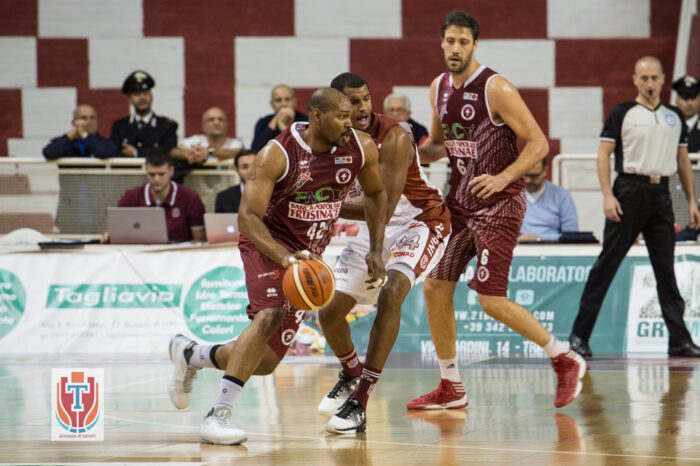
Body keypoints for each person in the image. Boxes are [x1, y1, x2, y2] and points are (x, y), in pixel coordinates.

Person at [167, 88, 389, 445]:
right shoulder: (277, 153)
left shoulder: (360, 148)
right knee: (268, 314)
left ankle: (192, 354)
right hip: (267, 243)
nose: (350, 123)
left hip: (308, 256)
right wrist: (285, 258)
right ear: (317, 116)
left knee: (267, 361)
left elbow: (377, 196)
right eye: (341, 116)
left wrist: (377, 247)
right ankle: (217, 416)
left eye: (351, 116)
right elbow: (247, 218)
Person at [407, 10, 587, 411]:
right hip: (461, 205)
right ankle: (450, 385)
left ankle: (564, 357)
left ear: (475, 45)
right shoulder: (437, 87)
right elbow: (438, 145)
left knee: (490, 299)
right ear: (441, 42)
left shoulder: (496, 87)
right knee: (435, 286)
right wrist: (405, 152)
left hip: (500, 206)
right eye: (450, 41)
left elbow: (539, 143)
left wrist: (504, 177)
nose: (455, 48)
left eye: (463, 42)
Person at [316, 73, 451, 434]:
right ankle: (350, 371)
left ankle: (360, 401)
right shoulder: (330, 138)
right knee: (328, 314)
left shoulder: (394, 136)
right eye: (351, 102)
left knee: (391, 295)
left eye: (365, 99)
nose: (361, 108)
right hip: (376, 222)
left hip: (420, 221)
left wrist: (374, 247)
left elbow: (385, 205)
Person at [569, 56, 700, 359]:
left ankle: (679, 340)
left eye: (654, 78)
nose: (649, 83)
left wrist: (691, 200)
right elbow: (603, 155)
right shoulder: (623, 113)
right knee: (607, 265)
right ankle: (579, 336)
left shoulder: (674, 116)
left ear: (663, 79)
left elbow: (682, 160)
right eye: (644, 78)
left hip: (662, 193)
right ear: (635, 80)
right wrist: (606, 194)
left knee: (666, 271)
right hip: (628, 191)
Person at [106, 149, 205, 243]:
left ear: (171, 171)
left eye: (161, 174)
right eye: (152, 174)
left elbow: (200, 240)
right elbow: (113, 232)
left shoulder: (190, 197)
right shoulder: (131, 197)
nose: (156, 179)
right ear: (146, 172)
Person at [110, 70, 181, 176]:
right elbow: (113, 152)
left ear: (152, 96)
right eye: (137, 94)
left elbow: (168, 152)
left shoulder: (167, 125)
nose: (142, 97)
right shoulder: (119, 127)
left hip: (157, 182)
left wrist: (136, 152)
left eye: (146, 93)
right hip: (126, 179)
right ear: (130, 99)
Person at [519, 158, 579, 242]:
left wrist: (539, 238)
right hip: (518, 247)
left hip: (553, 248)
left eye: (534, 176)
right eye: (525, 175)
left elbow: (570, 234)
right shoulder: (512, 196)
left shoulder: (562, 195)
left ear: (545, 171)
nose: (528, 180)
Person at [172, 107, 244, 166]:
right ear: (203, 125)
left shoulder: (235, 143)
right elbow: (174, 152)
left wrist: (209, 152)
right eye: (211, 120)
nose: (216, 123)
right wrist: (189, 154)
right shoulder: (195, 140)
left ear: (227, 125)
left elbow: (235, 153)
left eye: (221, 120)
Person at [43, 105, 119, 159]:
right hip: (70, 181)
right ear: (74, 122)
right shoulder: (65, 142)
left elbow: (104, 153)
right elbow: (49, 153)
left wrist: (84, 135)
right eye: (84, 118)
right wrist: (71, 134)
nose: (89, 121)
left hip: (95, 181)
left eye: (92, 118)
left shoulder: (106, 143)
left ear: (97, 121)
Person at [251, 84, 307, 152]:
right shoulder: (263, 122)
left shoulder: (305, 121)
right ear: (272, 104)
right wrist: (276, 119)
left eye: (287, 99)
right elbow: (257, 149)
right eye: (278, 100)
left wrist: (284, 128)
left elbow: (304, 148)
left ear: (295, 101)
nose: (284, 104)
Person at [672, 74, 699, 153]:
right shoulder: (667, 126)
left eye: (693, 97)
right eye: (685, 97)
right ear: (677, 99)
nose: (689, 103)